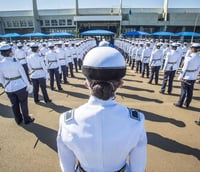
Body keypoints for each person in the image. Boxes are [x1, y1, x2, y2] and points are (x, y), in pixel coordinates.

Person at [57, 46, 147, 172]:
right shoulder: (136, 120)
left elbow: (67, 167)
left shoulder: (67, 121)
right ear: (120, 84)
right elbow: (138, 167)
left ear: (86, 84)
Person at [0, 44, 34, 125]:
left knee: (14, 104)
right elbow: (24, 75)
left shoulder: (0, 64)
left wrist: (5, 85)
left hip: (9, 87)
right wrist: (28, 85)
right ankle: (26, 119)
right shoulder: (16, 62)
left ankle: (18, 119)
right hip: (20, 86)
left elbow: (1, 78)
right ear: (10, 52)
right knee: (23, 103)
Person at [174, 43, 200, 108]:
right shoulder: (199, 58)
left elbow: (184, 69)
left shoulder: (189, 58)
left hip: (186, 76)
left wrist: (180, 77)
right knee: (190, 91)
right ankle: (187, 104)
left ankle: (180, 103)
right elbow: (198, 69)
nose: (190, 49)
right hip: (193, 76)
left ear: (193, 49)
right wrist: (195, 75)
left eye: (191, 48)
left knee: (183, 90)